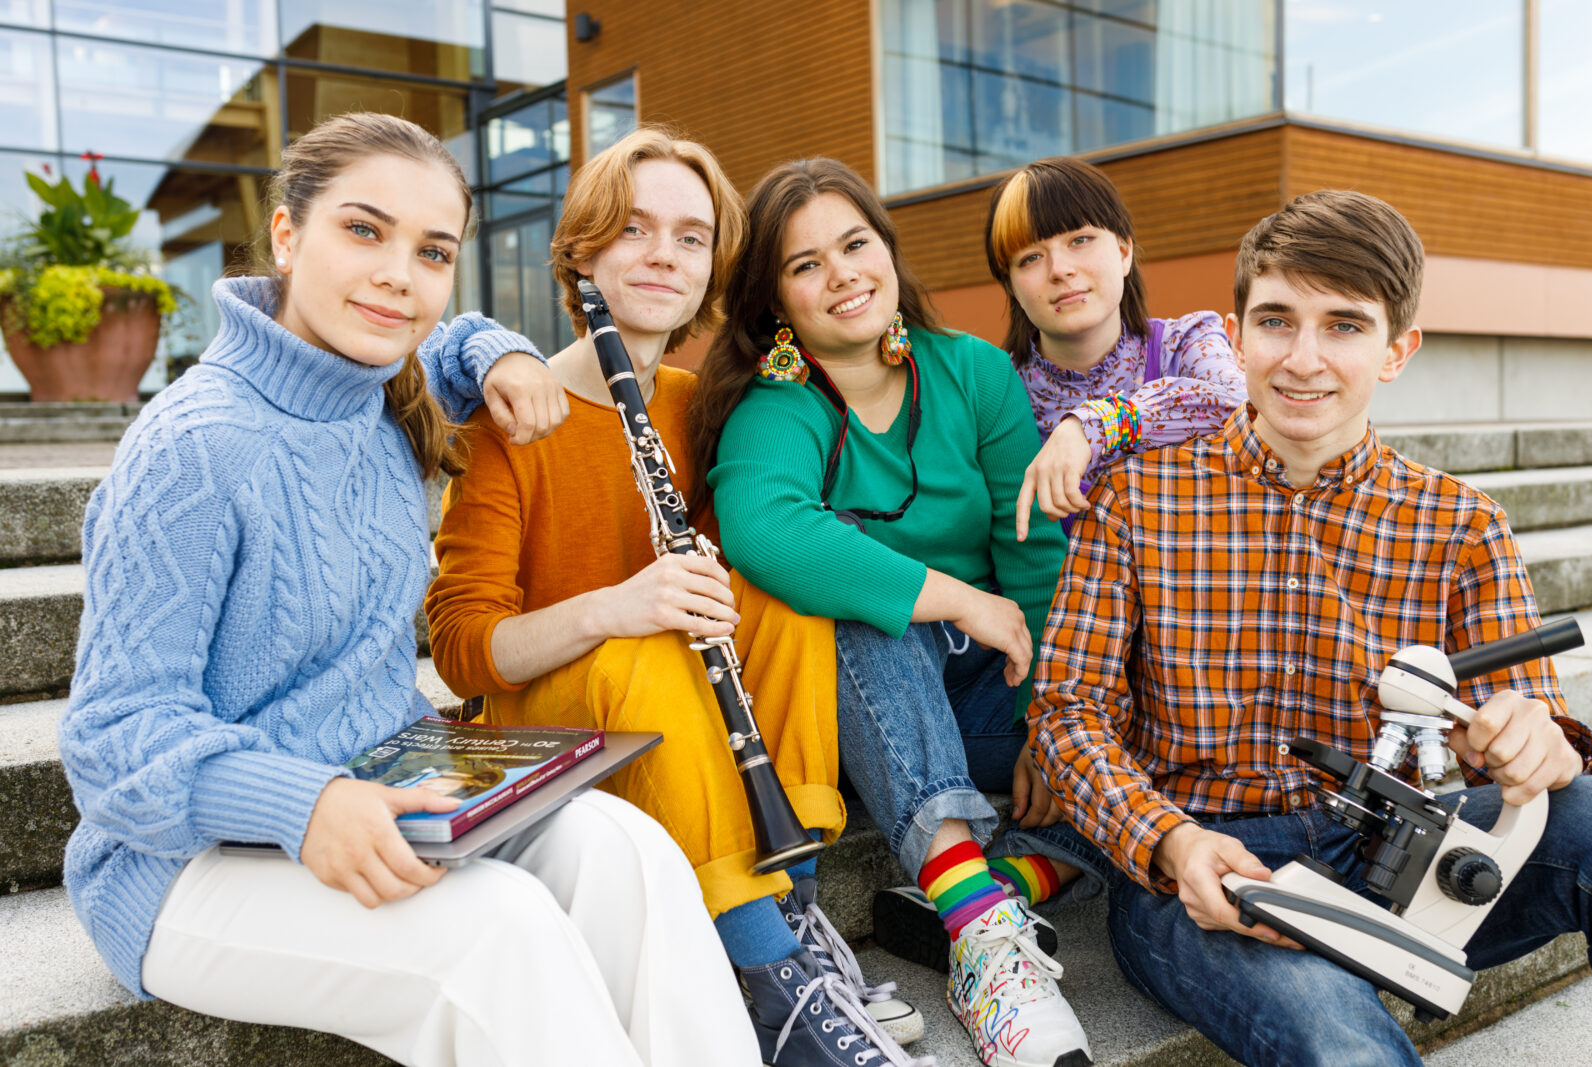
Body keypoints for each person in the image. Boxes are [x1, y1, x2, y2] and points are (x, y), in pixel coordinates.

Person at [58, 112, 761, 1067]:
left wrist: (501, 352)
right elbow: (112, 740)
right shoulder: (190, 449)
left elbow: (458, 337)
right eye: (364, 229)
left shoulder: (386, 386)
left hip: (388, 783)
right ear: (285, 233)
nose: (399, 274)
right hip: (185, 864)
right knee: (500, 927)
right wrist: (305, 804)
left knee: (628, 850)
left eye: (433, 251)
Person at [1029, 188, 1592, 1067]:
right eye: (1277, 321)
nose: (1303, 359)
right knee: (1339, 1040)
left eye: (1344, 325)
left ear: (1398, 349)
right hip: (1207, 869)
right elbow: (1068, 713)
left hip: (1401, 847)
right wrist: (1170, 840)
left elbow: (1531, 720)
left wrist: (1541, 743)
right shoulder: (1135, 500)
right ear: (1236, 334)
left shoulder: (1464, 523)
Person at [424, 129, 926, 1067]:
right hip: (550, 718)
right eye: (635, 229)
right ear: (582, 254)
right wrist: (613, 607)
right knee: (646, 653)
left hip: (679, 712)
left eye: (691, 237)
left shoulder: (698, 402)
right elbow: (459, 649)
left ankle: (795, 908)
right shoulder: (507, 421)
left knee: (785, 602)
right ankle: (774, 980)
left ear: (710, 269)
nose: (665, 254)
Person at [690, 158, 1093, 1067]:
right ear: (774, 300)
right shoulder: (777, 407)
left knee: (1136, 713)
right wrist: (957, 598)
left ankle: (1004, 877)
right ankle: (986, 942)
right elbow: (768, 532)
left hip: (987, 690)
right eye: (806, 264)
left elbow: (1035, 557)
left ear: (888, 248)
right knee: (870, 613)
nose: (842, 275)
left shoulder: (974, 373)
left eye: (855, 244)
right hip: (861, 706)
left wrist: (1051, 723)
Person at [984, 156, 1244, 536]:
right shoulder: (995, 395)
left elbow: (1244, 408)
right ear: (1010, 285)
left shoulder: (1184, 344)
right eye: (1031, 258)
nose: (1059, 269)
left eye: (1080, 240)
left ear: (1124, 252)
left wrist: (1097, 424)